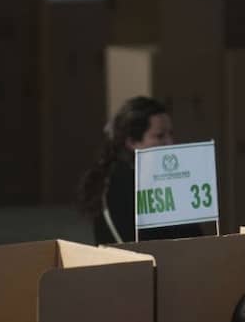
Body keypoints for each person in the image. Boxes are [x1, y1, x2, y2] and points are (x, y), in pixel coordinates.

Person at [78, 96, 203, 245]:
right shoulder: (118, 182)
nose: (170, 143)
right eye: (159, 136)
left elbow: (194, 237)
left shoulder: (161, 180)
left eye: (171, 134)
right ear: (132, 142)